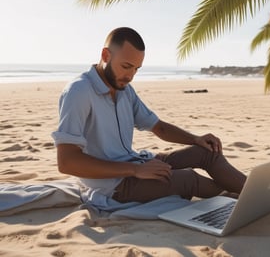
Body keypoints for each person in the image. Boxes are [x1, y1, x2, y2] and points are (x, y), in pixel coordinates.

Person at [52, 27, 246, 204]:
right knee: (188, 178)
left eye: (136, 69)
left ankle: (253, 192)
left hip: (137, 163)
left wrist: (195, 139)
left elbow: (158, 127)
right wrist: (135, 171)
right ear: (105, 55)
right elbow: (67, 162)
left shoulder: (124, 90)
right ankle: (237, 199)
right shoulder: (79, 92)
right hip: (112, 185)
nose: (130, 76)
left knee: (206, 152)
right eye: (126, 66)